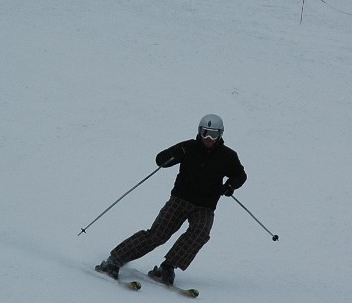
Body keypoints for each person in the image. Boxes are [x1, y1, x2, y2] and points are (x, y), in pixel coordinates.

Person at [96, 114, 247, 286]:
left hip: (205, 205)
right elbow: (160, 160)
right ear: (200, 131)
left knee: (201, 232)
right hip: (180, 200)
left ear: (220, 134)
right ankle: (114, 260)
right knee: (158, 235)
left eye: (214, 134)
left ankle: (167, 267)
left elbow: (240, 175)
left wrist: (230, 185)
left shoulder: (227, 156)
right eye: (206, 133)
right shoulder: (188, 147)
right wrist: (175, 154)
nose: (209, 138)